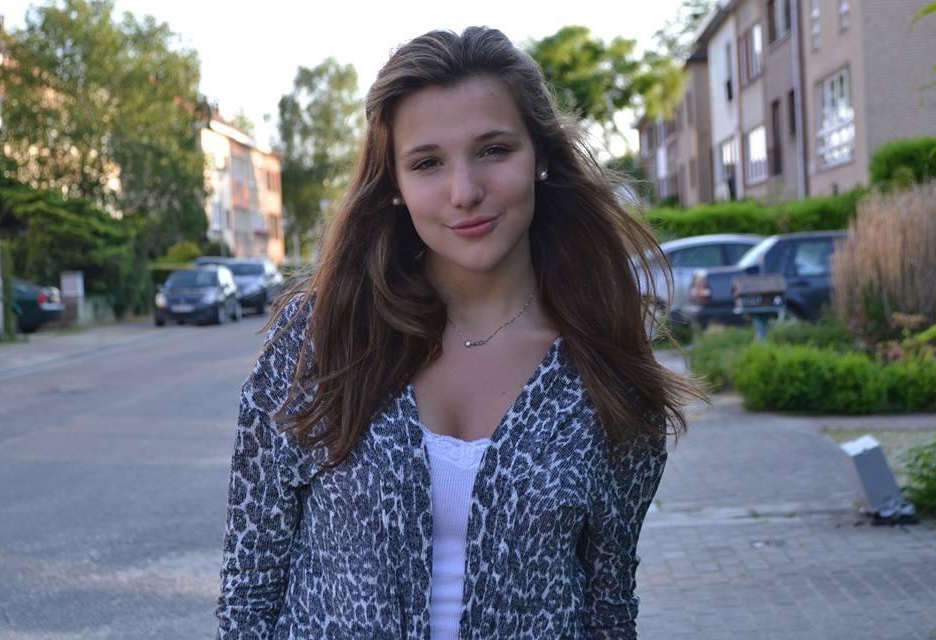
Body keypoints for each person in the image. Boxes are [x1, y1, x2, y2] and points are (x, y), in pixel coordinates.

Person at [216, 26, 702, 639]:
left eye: (494, 150)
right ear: (394, 184)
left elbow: (608, 606)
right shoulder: (321, 339)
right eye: (427, 163)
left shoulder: (603, 367)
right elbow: (250, 587)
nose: (465, 192)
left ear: (540, 156)